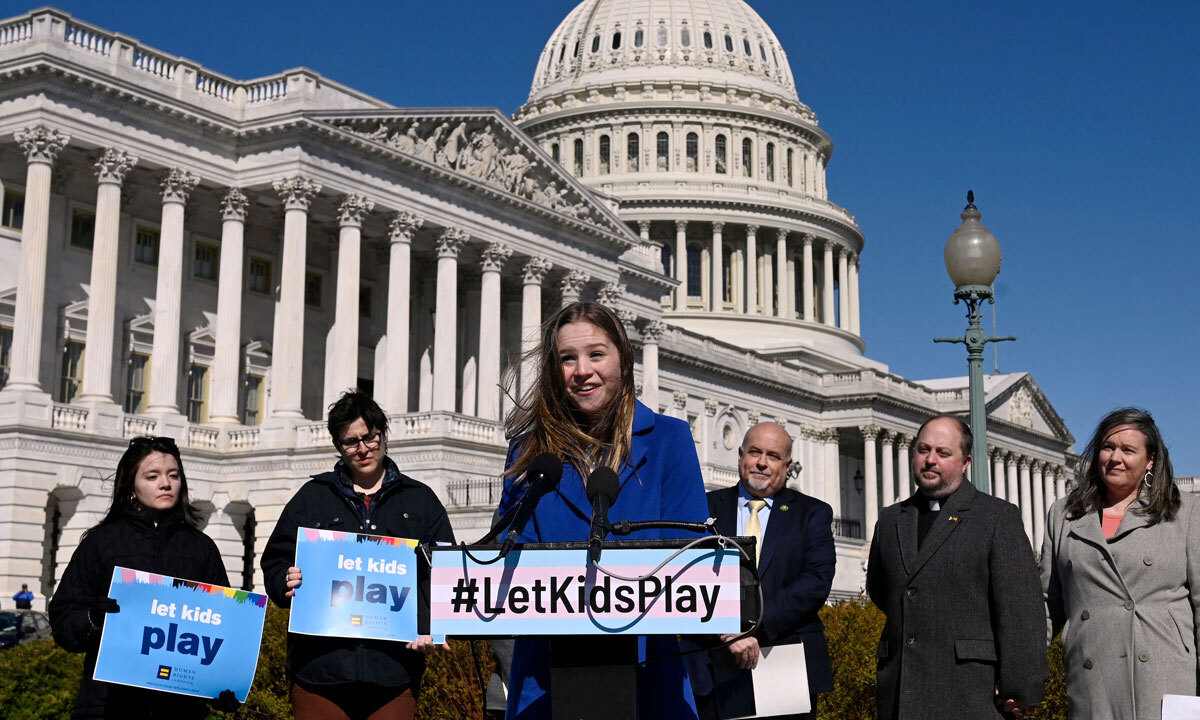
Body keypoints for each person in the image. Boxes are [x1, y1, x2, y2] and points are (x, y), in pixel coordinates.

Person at [497, 301, 709, 720]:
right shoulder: (528, 450)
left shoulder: (669, 439)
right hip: (548, 674)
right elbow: (509, 547)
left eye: (596, 354)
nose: (581, 370)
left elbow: (691, 549)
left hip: (649, 667)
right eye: (567, 359)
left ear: (624, 359)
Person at [261, 390, 455, 720]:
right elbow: (275, 561)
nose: (362, 449)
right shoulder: (313, 497)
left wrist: (433, 630)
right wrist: (284, 580)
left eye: (369, 437)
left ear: (383, 435)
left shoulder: (420, 501)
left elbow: (444, 575)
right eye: (350, 442)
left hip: (393, 670)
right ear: (339, 446)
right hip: (319, 670)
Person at [866, 415, 1047, 720]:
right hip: (900, 690)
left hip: (971, 691)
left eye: (943, 453)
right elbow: (881, 590)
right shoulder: (890, 519)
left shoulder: (996, 517)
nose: (930, 460)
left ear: (965, 462)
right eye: (923, 450)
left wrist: (1021, 686)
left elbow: (1021, 609)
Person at [48, 436, 233, 720]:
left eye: (174, 475)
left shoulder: (202, 548)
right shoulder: (101, 543)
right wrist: (92, 619)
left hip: (180, 708)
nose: (165, 484)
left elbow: (223, 629)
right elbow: (63, 621)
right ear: (132, 487)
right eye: (152, 476)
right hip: (108, 705)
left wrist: (224, 685)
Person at [1042, 408, 1194, 720]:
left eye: (1128, 450)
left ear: (1150, 460)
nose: (1115, 457)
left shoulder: (1184, 512)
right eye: (1108, 447)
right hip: (1090, 681)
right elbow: (1046, 604)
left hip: (1165, 679)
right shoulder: (1064, 515)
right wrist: (1022, 671)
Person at [688, 421, 836, 720]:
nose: (762, 463)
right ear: (740, 455)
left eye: (773, 455)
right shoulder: (702, 509)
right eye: (754, 452)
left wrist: (752, 625)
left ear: (788, 465)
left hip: (783, 655)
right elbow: (689, 576)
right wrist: (726, 632)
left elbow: (815, 583)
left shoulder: (813, 513)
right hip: (714, 661)